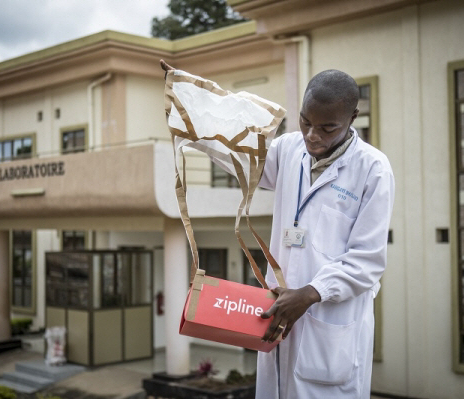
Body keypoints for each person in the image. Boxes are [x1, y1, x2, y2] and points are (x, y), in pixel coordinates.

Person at [160, 60, 395, 398]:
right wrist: (190, 98)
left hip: (329, 325)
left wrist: (311, 293)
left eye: (327, 128)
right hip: (277, 315)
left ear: (352, 119)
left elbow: (368, 260)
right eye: (305, 122)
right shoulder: (288, 149)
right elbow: (238, 155)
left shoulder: (373, 170)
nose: (312, 136)